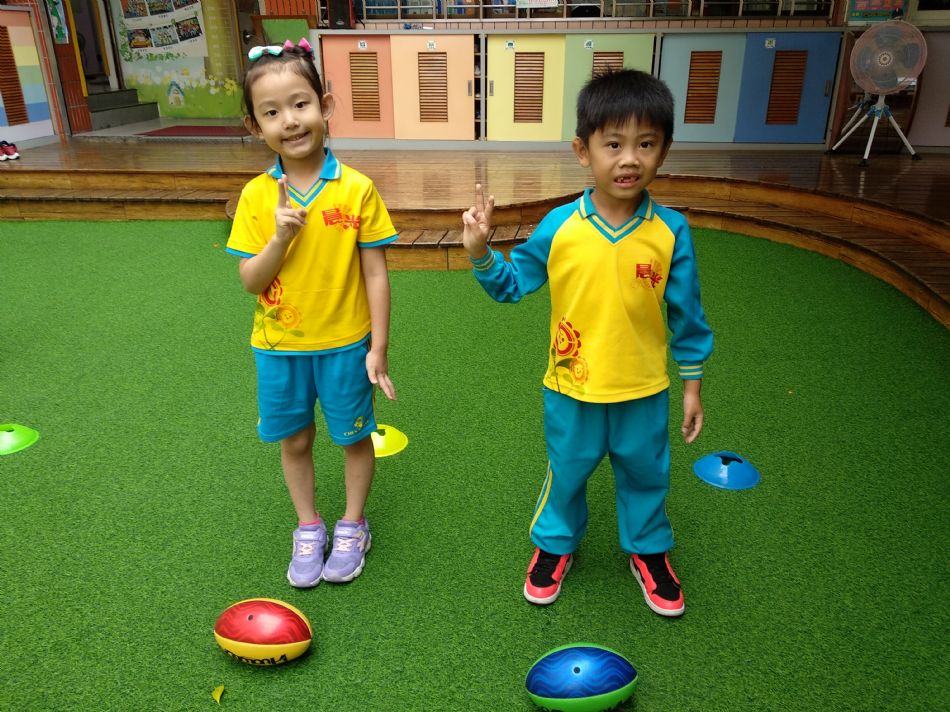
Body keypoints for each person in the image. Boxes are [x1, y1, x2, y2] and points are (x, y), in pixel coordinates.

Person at [461, 69, 713, 617]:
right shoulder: (559, 226)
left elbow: (687, 315)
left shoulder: (671, 230)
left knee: (647, 475)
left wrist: (692, 385)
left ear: (664, 151)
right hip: (570, 388)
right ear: (583, 151)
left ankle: (649, 551)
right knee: (568, 472)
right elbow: (512, 285)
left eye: (646, 144)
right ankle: (555, 545)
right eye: (613, 144)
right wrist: (481, 252)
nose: (630, 159)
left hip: (643, 389)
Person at [226, 38, 398, 588]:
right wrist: (279, 238)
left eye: (300, 104)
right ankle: (308, 526)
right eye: (271, 112)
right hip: (279, 348)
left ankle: (352, 525)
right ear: (255, 126)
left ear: (325, 105)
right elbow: (251, 281)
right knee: (295, 440)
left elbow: (375, 274)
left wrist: (378, 347)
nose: (290, 121)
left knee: (352, 438)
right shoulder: (256, 197)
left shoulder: (357, 189)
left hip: (346, 344)